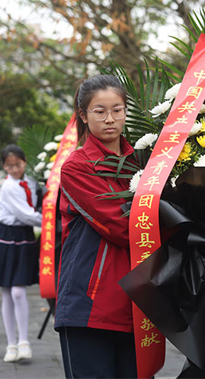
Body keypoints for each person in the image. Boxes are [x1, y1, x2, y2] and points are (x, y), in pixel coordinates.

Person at [55, 75, 138, 378]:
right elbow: (123, 225)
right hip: (90, 308)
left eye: (117, 110)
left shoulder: (144, 164)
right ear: (83, 116)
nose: (110, 119)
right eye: (99, 111)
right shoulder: (77, 167)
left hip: (137, 304)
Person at [0, 145, 42, 362]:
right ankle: (11, 344)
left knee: (17, 291)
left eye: (18, 164)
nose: (14, 169)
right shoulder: (8, 187)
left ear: (25, 162)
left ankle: (24, 342)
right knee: (7, 291)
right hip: (6, 236)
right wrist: (51, 222)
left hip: (24, 237)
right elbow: (27, 215)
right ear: (3, 166)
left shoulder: (33, 183)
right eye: (9, 165)